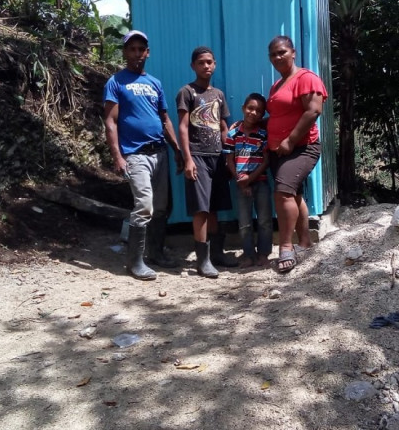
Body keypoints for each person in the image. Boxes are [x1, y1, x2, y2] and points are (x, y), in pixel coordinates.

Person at [103, 30, 183, 281]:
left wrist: (177, 150)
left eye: (141, 49)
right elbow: (110, 122)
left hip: (159, 153)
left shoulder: (154, 83)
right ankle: (134, 262)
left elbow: (165, 119)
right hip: (135, 155)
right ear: (125, 52)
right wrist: (117, 156)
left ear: (147, 52)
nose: (137, 53)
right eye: (132, 49)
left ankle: (156, 253)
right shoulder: (116, 82)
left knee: (160, 208)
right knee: (144, 206)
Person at [266, 35, 327, 273]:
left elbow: (313, 111)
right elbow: (280, 115)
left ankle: (286, 247)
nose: (278, 57)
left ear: (293, 52)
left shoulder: (306, 78)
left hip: (301, 147)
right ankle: (305, 242)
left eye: (282, 52)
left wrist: (290, 140)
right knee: (294, 194)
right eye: (273, 54)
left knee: (282, 193)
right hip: (278, 149)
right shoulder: (278, 84)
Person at [176, 46, 238, 278]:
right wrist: (188, 159)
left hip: (218, 156)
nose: (206, 66)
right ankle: (202, 261)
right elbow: (182, 126)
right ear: (193, 66)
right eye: (201, 62)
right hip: (198, 157)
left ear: (215, 65)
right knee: (201, 208)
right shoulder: (187, 92)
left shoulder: (218, 95)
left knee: (214, 207)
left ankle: (217, 253)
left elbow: (223, 127)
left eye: (210, 62)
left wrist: (230, 156)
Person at [224, 93, 273, 268]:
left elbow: (266, 161)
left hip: (260, 181)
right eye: (250, 108)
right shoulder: (233, 133)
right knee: (244, 223)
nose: (253, 113)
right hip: (240, 184)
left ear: (261, 116)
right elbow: (229, 160)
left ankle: (263, 254)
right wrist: (240, 179)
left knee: (264, 221)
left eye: (258, 111)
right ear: (243, 108)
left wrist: (250, 179)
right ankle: (248, 254)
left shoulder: (262, 134)